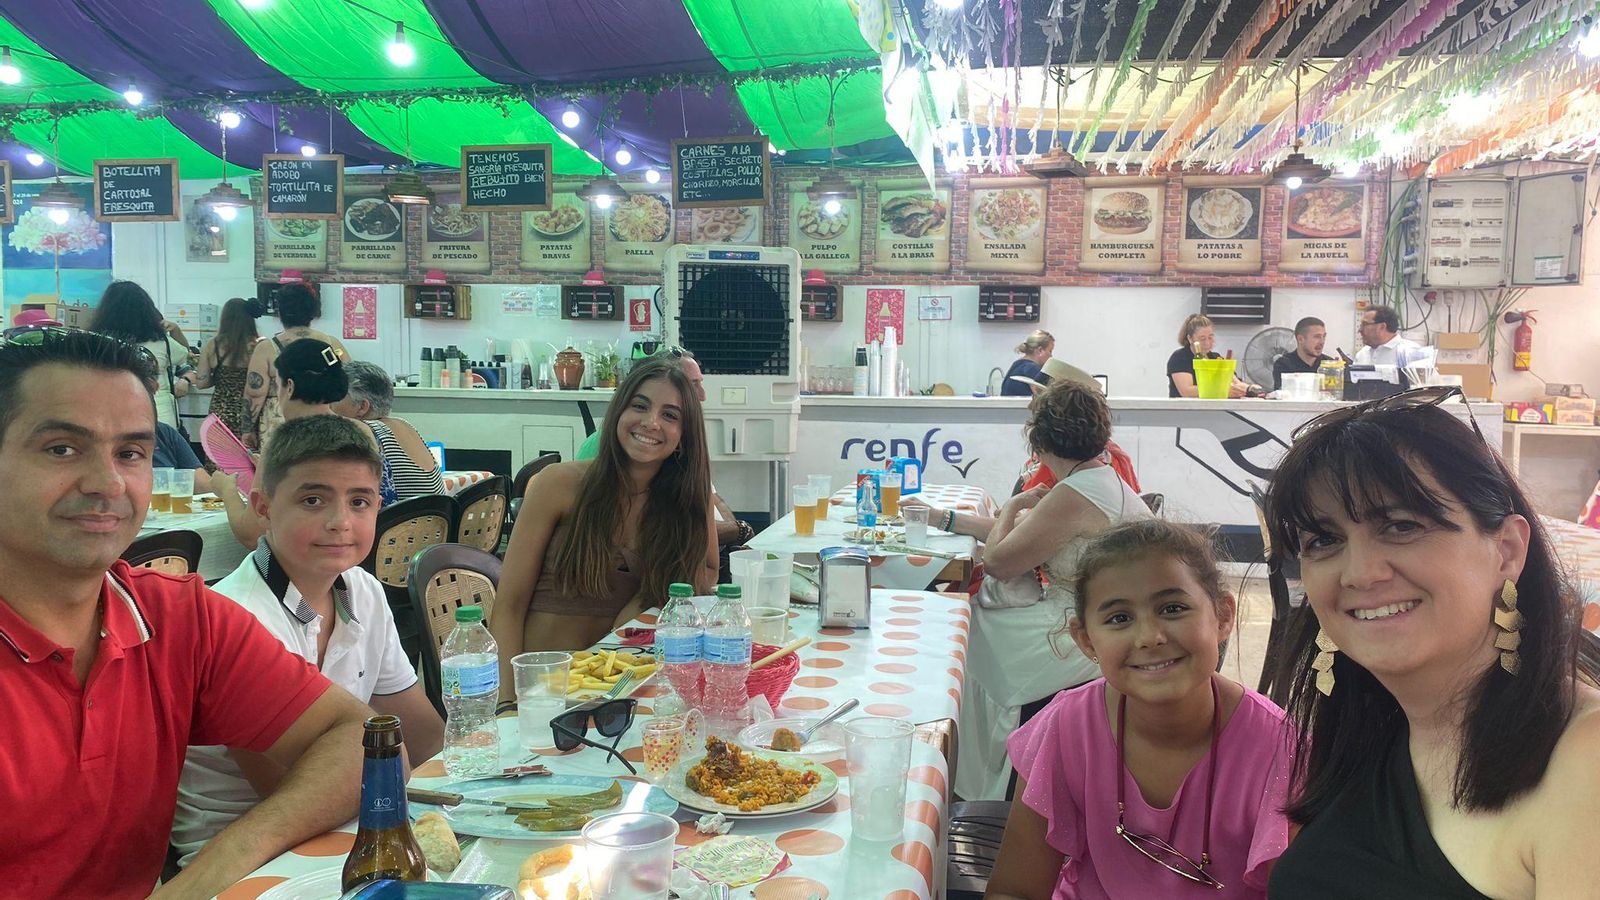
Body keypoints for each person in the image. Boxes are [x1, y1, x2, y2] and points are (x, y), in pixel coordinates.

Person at [0, 327, 372, 898]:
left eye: (130, 453)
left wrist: (210, 871)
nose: (107, 483)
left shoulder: (176, 617)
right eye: (61, 449)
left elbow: (357, 737)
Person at [1262, 387, 1600, 897]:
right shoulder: (1370, 721)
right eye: (1323, 540)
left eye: (1400, 526)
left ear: (1506, 551)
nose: (1359, 573)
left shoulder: (1584, 760)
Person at [171, 415, 443, 867]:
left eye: (360, 502)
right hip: (241, 856)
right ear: (262, 506)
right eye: (313, 500)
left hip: (348, 821)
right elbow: (290, 794)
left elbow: (422, 733)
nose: (341, 522)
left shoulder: (363, 589)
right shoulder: (236, 616)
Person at [986, 519, 1294, 898]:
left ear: (1223, 615)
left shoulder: (1281, 751)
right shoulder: (1065, 728)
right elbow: (1016, 889)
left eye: (1173, 608)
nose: (1150, 637)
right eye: (1119, 618)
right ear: (1086, 640)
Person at [955, 379, 1153, 800]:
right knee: (977, 619)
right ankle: (982, 777)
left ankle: (987, 782)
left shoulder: (1076, 493)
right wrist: (949, 520)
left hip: (1085, 632)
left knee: (966, 628)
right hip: (1106, 616)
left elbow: (999, 562)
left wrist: (1010, 505)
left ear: (1039, 444)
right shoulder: (1100, 481)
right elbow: (1026, 540)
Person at [491, 356, 719, 680]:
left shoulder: (684, 500)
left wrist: (646, 596)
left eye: (670, 415)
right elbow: (508, 606)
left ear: (683, 437)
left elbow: (707, 570)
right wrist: (507, 703)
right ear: (618, 412)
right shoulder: (557, 484)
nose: (651, 422)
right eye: (639, 406)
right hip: (542, 688)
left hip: (623, 686)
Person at [220, 338, 392, 549]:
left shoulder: (284, 440)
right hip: (365, 549)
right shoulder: (361, 430)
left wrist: (226, 489)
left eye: (277, 384)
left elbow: (251, 534)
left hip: (316, 556)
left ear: (289, 386)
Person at [576, 350, 751, 552]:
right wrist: (737, 530)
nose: (702, 396)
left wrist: (736, 529)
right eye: (693, 384)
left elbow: (711, 496)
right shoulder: (604, 453)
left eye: (669, 414)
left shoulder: (679, 459)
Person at [247, 283, 349, 448]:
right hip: (325, 419)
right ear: (313, 313)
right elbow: (349, 378)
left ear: (280, 312)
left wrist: (248, 429)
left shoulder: (266, 348)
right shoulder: (331, 345)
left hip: (278, 422)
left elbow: (255, 393)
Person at [88, 280, 195, 430]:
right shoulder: (161, 342)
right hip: (159, 415)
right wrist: (176, 330)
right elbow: (187, 354)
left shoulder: (97, 343)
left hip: (113, 414)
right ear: (147, 311)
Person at [335, 361, 445, 501]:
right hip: (430, 519)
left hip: (403, 520)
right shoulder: (404, 424)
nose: (329, 406)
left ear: (362, 407)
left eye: (336, 398)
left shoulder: (366, 432)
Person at [189, 297, 262, 442]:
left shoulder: (213, 345)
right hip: (250, 414)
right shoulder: (259, 346)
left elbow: (201, 383)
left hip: (220, 412)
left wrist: (219, 379)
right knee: (249, 460)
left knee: (219, 460)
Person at [1167, 313, 1253, 399]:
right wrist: (1222, 390)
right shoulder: (1180, 358)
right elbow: (1187, 391)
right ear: (1190, 339)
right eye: (1202, 339)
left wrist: (1251, 389)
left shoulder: (1216, 358)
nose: (1207, 343)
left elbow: (1235, 382)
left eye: (1210, 337)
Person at [1271, 316, 1332, 390]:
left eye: (1324, 336)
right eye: (1317, 337)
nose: (1322, 342)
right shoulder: (1284, 364)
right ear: (1300, 339)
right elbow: (1283, 395)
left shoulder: (1330, 365)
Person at [1352, 305, 1424, 367]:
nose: (1360, 330)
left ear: (1382, 326)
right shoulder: (1363, 353)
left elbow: (1427, 382)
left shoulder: (1410, 351)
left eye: (1365, 324)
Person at [1002, 330, 1056, 396]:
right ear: (1040, 350)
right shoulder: (1032, 368)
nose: (1051, 356)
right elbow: (1051, 395)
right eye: (1050, 351)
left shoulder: (1017, 365)